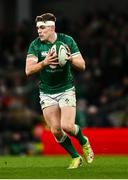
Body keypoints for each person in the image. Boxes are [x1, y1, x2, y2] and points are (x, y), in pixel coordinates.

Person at [25, 13, 94, 169]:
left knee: (67, 126)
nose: (39, 31)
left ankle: (84, 141)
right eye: (37, 28)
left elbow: (82, 65)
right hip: (46, 92)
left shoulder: (67, 41)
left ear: (52, 27)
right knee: (56, 130)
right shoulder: (35, 45)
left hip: (65, 89)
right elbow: (28, 70)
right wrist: (44, 63)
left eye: (42, 27)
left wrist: (69, 58)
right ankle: (76, 157)